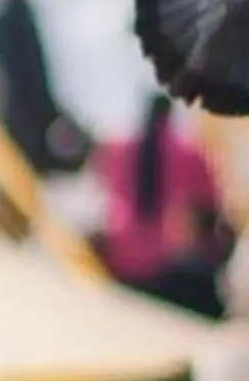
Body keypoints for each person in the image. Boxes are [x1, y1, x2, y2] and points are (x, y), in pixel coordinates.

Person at [93, 96, 230, 318]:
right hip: (165, 265)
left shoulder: (116, 148)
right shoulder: (188, 152)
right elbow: (212, 205)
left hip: (119, 256)